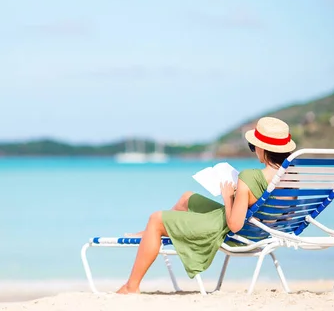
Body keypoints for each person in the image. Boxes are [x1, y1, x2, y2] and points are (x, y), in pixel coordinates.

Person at [117, 116, 297, 294]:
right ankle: (151, 233)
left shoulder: (250, 177)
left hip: (236, 232)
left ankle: (131, 286)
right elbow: (285, 214)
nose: (254, 150)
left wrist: (228, 197)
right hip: (260, 230)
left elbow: (234, 225)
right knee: (187, 198)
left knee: (155, 219)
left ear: (263, 148)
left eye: (253, 146)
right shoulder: (292, 177)